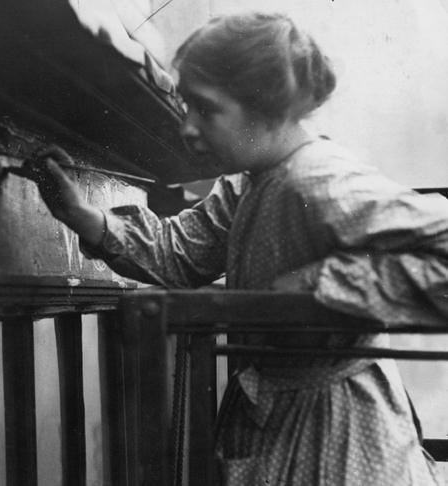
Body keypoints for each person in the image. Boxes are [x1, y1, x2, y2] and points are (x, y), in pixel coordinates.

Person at [23, 11, 448, 486]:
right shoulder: (249, 183)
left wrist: (325, 288)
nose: (187, 128)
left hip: (342, 438)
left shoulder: (321, 181)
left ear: (264, 108)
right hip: (276, 422)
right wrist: (82, 215)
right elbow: (178, 252)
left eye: (206, 109)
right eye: (186, 107)